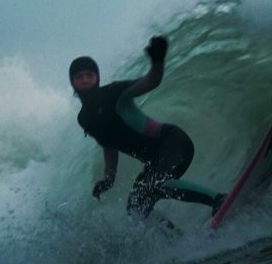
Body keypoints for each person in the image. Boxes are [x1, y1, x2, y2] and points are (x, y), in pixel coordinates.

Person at [70, 36, 225, 223]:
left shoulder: (113, 92)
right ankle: (174, 241)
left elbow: (150, 82)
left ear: (97, 76)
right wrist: (108, 180)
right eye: (79, 77)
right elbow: (108, 146)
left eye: (89, 74)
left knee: (156, 184)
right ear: (73, 82)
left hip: (173, 142)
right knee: (136, 208)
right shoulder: (85, 119)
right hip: (155, 161)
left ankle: (219, 200)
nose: (85, 80)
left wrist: (157, 61)